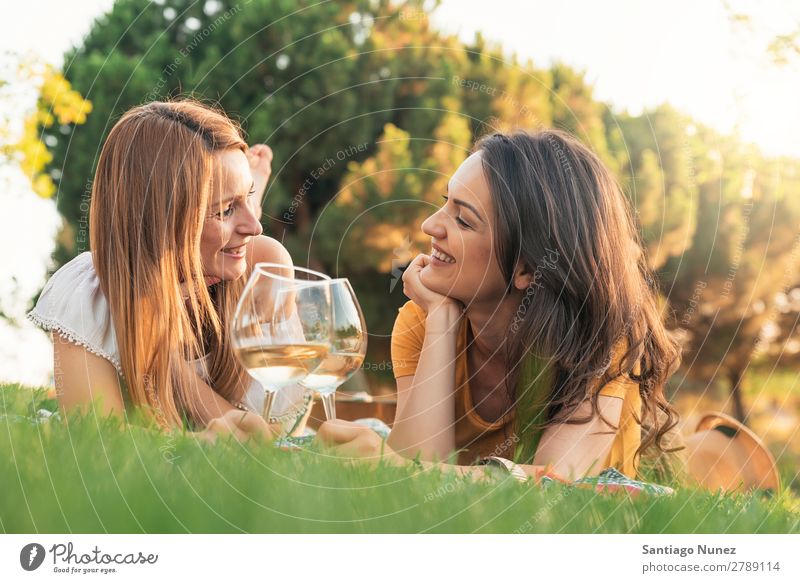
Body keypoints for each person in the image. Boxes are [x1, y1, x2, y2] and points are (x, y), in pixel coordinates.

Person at [316, 129, 685, 483]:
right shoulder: (421, 320)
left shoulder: (600, 336)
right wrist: (442, 320)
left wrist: (399, 469)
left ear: (526, 267)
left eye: (462, 219)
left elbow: (557, 484)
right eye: (444, 203)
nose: (429, 226)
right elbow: (413, 484)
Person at [27, 99, 308, 443]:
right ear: (159, 224)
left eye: (247, 199)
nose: (256, 228)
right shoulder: (90, 293)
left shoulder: (264, 270)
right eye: (224, 210)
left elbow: (279, 434)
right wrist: (155, 323)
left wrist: (164, 349)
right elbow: (95, 438)